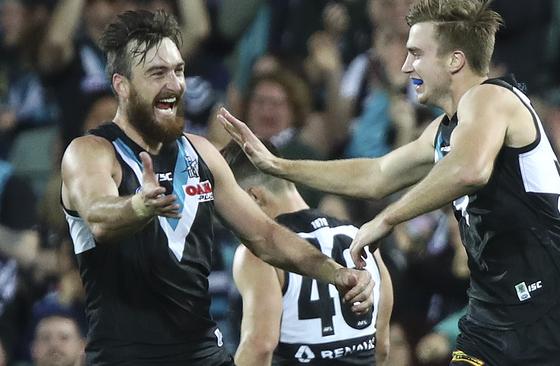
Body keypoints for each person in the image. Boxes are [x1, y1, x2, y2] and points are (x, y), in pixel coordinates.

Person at [219, 0, 560, 364]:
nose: (406, 67)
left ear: (455, 60)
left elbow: (470, 169)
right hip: (492, 321)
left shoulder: (491, 98)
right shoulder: (445, 129)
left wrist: (387, 220)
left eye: (417, 53)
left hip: (553, 315)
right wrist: (278, 165)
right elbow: (377, 175)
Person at [60, 9, 374, 365]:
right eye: (157, 73)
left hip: (203, 355)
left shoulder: (202, 153)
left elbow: (265, 236)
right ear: (122, 85)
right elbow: (98, 217)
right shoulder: (89, 152)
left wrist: (336, 273)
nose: (175, 84)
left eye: (178, 70)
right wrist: (138, 206)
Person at [223, 141, 393, 366]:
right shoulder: (361, 240)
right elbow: (381, 346)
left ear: (253, 197)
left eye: (227, 205)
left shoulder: (257, 254)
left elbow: (259, 346)